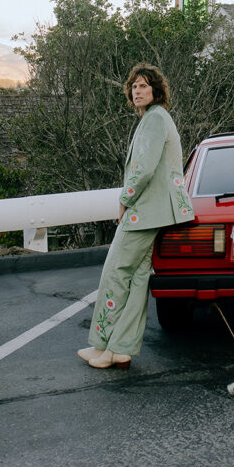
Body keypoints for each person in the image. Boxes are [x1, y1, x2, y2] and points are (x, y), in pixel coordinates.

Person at [77, 63, 194, 369]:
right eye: (134, 86)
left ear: (156, 90)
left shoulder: (155, 119)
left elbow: (144, 169)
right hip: (155, 211)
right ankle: (116, 348)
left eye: (144, 85)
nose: (138, 91)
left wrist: (124, 200)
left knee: (116, 273)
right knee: (137, 277)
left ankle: (109, 345)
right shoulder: (152, 118)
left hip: (147, 212)